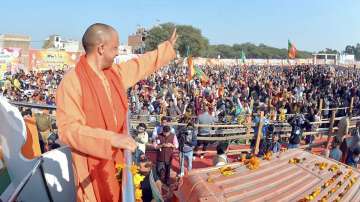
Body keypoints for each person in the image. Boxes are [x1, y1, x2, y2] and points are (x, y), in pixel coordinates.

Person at [56, 23, 177, 202]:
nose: (118, 52)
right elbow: (68, 131)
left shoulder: (113, 74)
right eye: (115, 48)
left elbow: (139, 65)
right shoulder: (72, 82)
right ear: (101, 48)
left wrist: (166, 48)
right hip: (90, 167)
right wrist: (110, 139)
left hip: (118, 159)